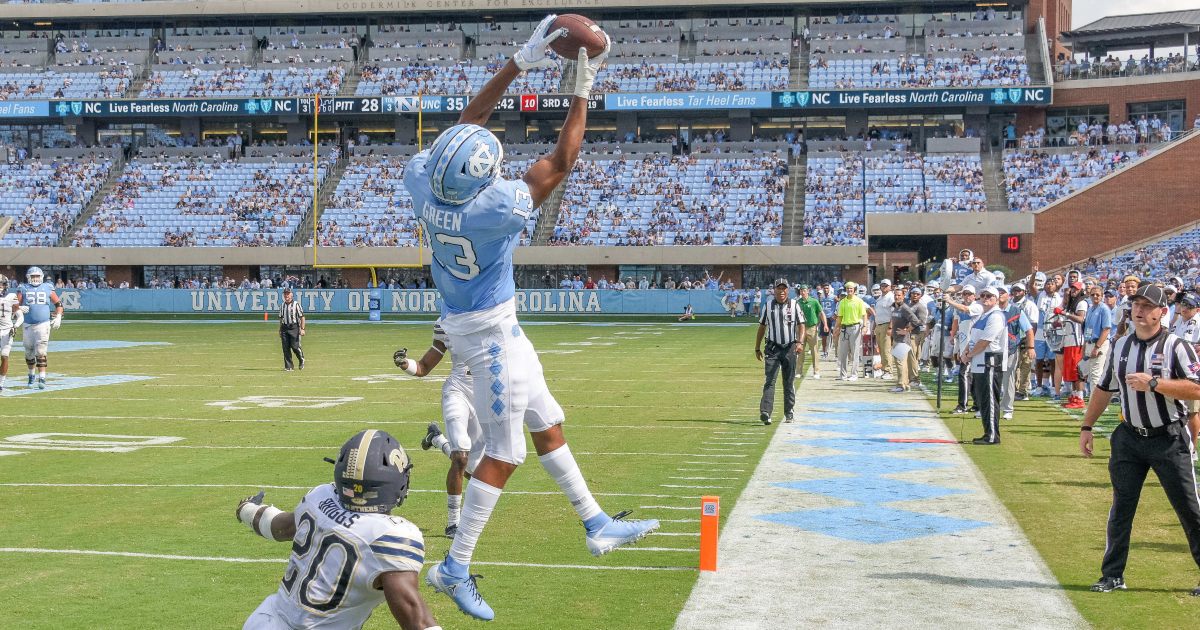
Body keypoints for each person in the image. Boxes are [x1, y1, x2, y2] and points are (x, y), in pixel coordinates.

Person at [401, 17, 656, 621]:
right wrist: (581, 87)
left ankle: (595, 524)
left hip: (488, 325)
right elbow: (562, 160)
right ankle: (454, 567)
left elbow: (464, 126)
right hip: (487, 338)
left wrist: (518, 62)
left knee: (548, 422)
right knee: (506, 453)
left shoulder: (422, 183)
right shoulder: (494, 210)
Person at [236, 429, 440, 629]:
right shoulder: (388, 536)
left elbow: (280, 526)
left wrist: (247, 509)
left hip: (264, 621)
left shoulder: (320, 497)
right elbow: (418, 621)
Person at [1079, 284, 1200, 596]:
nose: (1140, 310)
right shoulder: (1120, 345)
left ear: (1162, 312)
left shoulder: (1177, 345)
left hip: (1168, 437)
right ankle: (1112, 575)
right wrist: (1087, 426)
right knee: (1121, 508)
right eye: (1136, 304)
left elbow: (1197, 388)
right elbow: (1104, 388)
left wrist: (1156, 384)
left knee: (1188, 508)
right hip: (1129, 437)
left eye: (1148, 305)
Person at [394, 324, 484, 537]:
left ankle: (437, 439)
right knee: (461, 458)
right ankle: (454, 523)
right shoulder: (446, 322)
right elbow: (424, 366)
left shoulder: (494, 314)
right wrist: (406, 364)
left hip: (484, 396)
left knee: (475, 473)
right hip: (457, 392)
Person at [962, 285, 1007, 444]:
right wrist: (966, 351)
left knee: (989, 401)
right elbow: (974, 339)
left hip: (990, 361)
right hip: (980, 362)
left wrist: (970, 354)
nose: (986, 298)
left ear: (996, 299)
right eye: (983, 295)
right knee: (983, 400)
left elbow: (986, 341)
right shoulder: (983, 315)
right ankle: (988, 433)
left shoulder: (995, 316)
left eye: (990, 296)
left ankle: (992, 435)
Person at [756, 279, 803, 424]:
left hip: (790, 347)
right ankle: (765, 412)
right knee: (770, 380)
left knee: (788, 381)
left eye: (784, 289)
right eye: (779, 289)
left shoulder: (795, 305)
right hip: (773, 347)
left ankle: (789, 411)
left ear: (787, 290)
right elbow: (762, 327)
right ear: (774, 290)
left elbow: (802, 324)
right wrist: (757, 347)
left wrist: (800, 342)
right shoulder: (768, 305)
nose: (781, 291)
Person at [16, 266, 62, 390]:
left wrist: (58, 316)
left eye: (37, 276)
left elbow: (58, 303)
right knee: (29, 351)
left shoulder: (47, 287)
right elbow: (15, 305)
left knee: (41, 351)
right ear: (28, 277)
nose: (35, 278)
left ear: (41, 277)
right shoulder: (23, 288)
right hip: (27, 324)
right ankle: (31, 375)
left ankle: (42, 377)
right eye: (33, 276)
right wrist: (19, 308)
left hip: (43, 323)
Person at [945, 285, 983, 413]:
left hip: (972, 345)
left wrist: (950, 301)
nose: (967, 296)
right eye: (964, 294)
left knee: (964, 374)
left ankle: (963, 405)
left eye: (969, 294)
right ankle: (977, 404)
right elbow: (956, 320)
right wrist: (952, 335)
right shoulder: (958, 307)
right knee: (970, 375)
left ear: (974, 295)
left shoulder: (977, 306)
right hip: (963, 344)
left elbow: (966, 309)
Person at [999, 285, 1034, 420]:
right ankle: (989, 406)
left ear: (1009, 295)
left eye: (1003, 292)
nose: (1000, 295)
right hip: (992, 349)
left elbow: (1029, 330)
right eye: (998, 292)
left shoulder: (1016, 311)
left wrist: (1031, 347)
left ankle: (1007, 408)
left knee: (1008, 379)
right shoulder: (990, 310)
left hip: (1010, 349)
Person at [890, 286, 927, 392]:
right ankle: (905, 384)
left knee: (900, 362)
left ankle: (901, 385)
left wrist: (906, 330)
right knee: (902, 362)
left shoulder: (905, 308)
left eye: (899, 295)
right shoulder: (895, 307)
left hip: (903, 339)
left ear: (903, 296)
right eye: (895, 295)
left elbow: (917, 321)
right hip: (897, 338)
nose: (897, 297)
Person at [1058, 281, 1089, 408]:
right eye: (1072, 289)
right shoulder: (1072, 303)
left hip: (1077, 341)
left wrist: (1065, 313)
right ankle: (1074, 396)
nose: (1073, 291)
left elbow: (1081, 319)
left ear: (1081, 290)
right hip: (1069, 340)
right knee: (1071, 370)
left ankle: (1080, 398)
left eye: (1076, 289)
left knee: (1077, 370)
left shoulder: (1081, 303)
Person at [832, 281, 870, 380]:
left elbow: (864, 314)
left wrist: (865, 326)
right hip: (844, 328)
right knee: (843, 352)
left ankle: (854, 374)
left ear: (854, 290)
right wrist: (836, 329)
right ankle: (843, 375)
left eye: (851, 289)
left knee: (855, 351)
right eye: (848, 288)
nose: (849, 290)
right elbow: (839, 317)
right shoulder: (842, 302)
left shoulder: (858, 301)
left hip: (855, 327)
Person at [1082, 286, 1113, 399]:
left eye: (1098, 295)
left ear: (1102, 296)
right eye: (1093, 294)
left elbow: (1106, 329)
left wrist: (1097, 347)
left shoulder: (1104, 309)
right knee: (1090, 374)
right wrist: (1085, 346)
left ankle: (1094, 403)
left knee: (1096, 374)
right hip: (1090, 342)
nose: (1095, 296)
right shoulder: (1090, 309)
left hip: (1099, 343)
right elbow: (1087, 330)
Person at [795, 284, 827, 379]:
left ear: (808, 291)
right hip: (800, 328)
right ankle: (799, 371)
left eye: (804, 290)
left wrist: (825, 324)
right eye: (801, 290)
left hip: (811, 328)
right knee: (800, 350)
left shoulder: (814, 301)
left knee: (814, 350)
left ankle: (816, 371)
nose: (802, 292)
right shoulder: (797, 302)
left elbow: (821, 313)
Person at [0, 275, 21, 393]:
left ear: (6, 285)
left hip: (6, 330)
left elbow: (20, 315)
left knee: (4, 356)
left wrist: (16, 325)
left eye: (1, 284)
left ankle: (1, 384)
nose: (0, 286)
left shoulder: (11, 296)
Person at [873, 278, 896, 378]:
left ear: (890, 287)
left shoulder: (891, 297)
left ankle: (888, 371)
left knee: (886, 349)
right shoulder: (879, 298)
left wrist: (890, 327)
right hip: (879, 325)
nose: (884, 287)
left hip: (887, 325)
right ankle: (884, 369)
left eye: (886, 285)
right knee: (881, 349)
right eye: (882, 285)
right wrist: (874, 326)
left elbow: (894, 313)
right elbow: (877, 314)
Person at [278, 288, 305, 371]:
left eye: (288, 294)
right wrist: (280, 329)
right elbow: (281, 318)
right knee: (285, 347)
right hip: (284, 327)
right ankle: (289, 366)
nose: (286, 295)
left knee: (295, 346)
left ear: (291, 295)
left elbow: (302, 317)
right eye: (285, 294)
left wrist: (302, 328)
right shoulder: (282, 305)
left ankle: (301, 359)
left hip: (294, 327)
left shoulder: (296, 304)